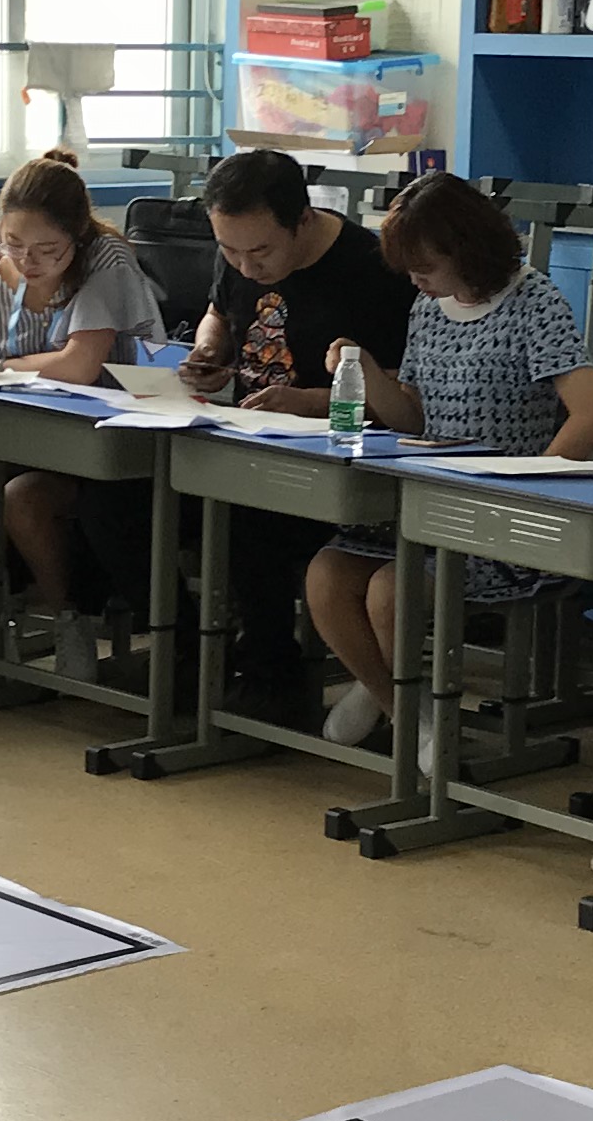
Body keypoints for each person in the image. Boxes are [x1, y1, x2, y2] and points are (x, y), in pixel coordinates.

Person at [304, 174, 593, 747]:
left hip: (500, 517)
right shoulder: (429, 306)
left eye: (425, 265)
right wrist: (367, 371)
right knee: (326, 576)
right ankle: (401, 706)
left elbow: (590, 416)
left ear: (467, 250)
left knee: (390, 590)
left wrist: (525, 489)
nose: (415, 279)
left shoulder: (534, 301)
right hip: (427, 507)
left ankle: (409, 712)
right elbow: (414, 418)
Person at [138, 147, 414, 705]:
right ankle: (190, 656)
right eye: (228, 250)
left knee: (246, 520)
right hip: (242, 440)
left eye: (260, 251)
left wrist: (307, 403)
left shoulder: (373, 271)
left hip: (335, 466)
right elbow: (220, 310)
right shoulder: (240, 245)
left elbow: (401, 401)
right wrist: (209, 349)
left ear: (303, 220)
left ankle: (271, 678)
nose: (245, 266)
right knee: (124, 497)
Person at [0, 148, 165, 687]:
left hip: (102, 450)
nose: (27, 262)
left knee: (22, 501)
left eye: (47, 250)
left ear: (77, 237)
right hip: (17, 444)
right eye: (13, 245)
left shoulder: (106, 262)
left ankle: (69, 622)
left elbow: (78, 365)